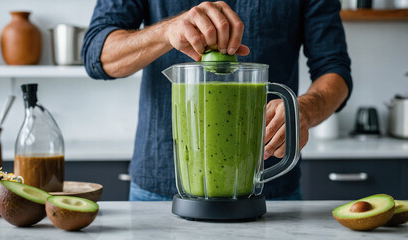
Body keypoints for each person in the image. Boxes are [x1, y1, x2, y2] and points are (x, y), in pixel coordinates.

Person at [82, 0, 352, 201]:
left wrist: (302, 109)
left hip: (270, 191)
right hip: (159, 190)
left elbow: (335, 69)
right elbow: (98, 53)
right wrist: (166, 31)